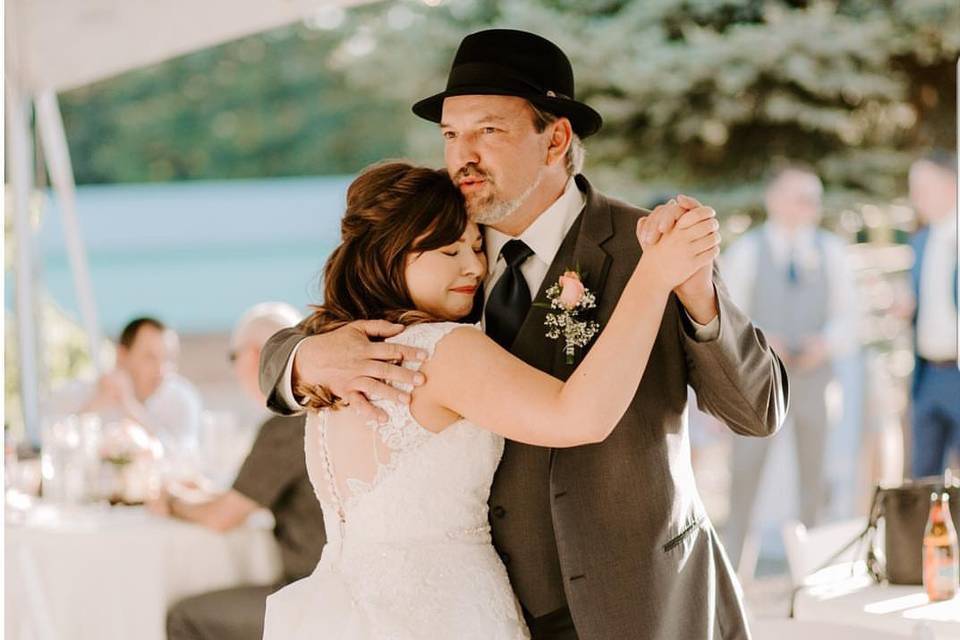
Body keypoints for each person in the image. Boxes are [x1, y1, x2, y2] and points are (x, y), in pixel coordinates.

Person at [261, 30, 787, 640]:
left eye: (489, 131)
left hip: (641, 599)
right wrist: (304, 357)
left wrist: (697, 295)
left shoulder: (649, 245)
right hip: (481, 607)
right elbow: (306, 333)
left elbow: (758, 410)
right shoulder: (436, 245)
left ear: (555, 138)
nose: (463, 156)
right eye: (452, 135)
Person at [153, 302, 326, 640]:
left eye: (233, 359)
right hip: (337, 583)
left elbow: (223, 517)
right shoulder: (322, 410)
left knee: (184, 618)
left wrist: (171, 501)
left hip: (312, 590)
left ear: (254, 356)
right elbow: (245, 501)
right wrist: (197, 492)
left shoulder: (286, 425)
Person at [719, 167, 860, 573]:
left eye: (813, 199)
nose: (808, 208)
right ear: (774, 199)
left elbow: (850, 314)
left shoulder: (832, 251)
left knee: (813, 476)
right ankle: (734, 570)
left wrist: (826, 342)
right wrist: (766, 341)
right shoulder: (748, 251)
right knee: (744, 474)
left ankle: (809, 573)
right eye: (800, 197)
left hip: (816, 379)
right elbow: (730, 313)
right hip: (759, 380)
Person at [50, 317, 202, 454]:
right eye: (150, 358)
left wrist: (131, 407)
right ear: (122, 355)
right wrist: (93, 407)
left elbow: (184, 459)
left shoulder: (182, 399)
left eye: (168, 359)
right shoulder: (78, 394)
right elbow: (51, 449)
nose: (161, 370)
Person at [907, 151, 959, 478]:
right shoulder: (921, 240)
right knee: (924, 478)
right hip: (928, 375)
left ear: (952, 185)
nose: (916, 197)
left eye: (924, 187)